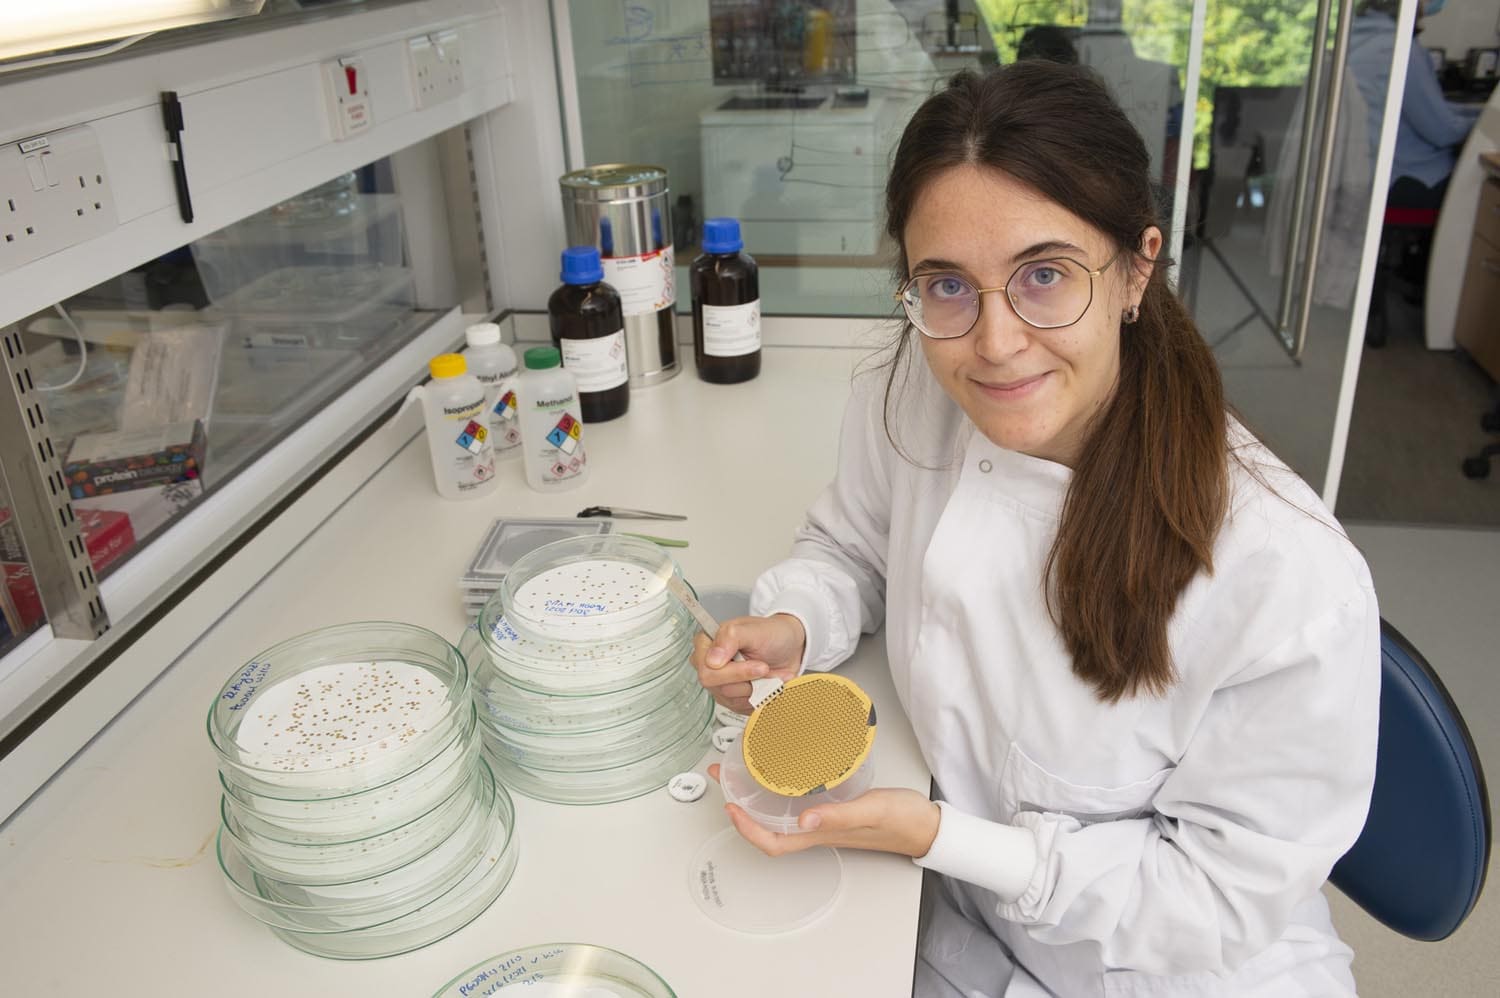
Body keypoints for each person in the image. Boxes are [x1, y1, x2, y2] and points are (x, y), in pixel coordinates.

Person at [691, 61, 1380, 997]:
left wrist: (945, 839)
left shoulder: (1284, 574)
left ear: (1137, 268)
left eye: (1044, 275)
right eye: (946, 286)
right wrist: (798, 623)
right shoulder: (913, 388)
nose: (995, 342)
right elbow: (851, 547)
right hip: (955, 908)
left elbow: (1208, 903)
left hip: (1166, 969)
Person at [1349, 0, 1478, 210]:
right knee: (1481, 189)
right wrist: (1481, 125)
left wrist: (1477, 114)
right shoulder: (1400, 49)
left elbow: (1429, 110)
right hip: (1403, 175)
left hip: (1367, 169)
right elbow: (1443, 131)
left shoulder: (1359, 35)